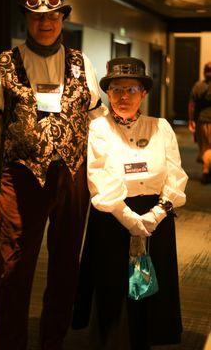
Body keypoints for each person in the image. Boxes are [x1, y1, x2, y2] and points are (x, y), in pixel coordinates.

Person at [0, 0, 101, 350]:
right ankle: (10, 343)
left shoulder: (82, 62)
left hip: (74, 177)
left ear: (63, 18)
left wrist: (109, 171)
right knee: (14, 267)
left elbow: (97, 119)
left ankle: (52, 341)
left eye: (52, 16)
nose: (45, 22)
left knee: (65, 266)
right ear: (27, 19)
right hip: (21, 177)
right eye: (37, 16)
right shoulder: (4, 64)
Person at [72, 57, 188, 350]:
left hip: (155, 218)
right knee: (114, 286)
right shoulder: (99, 128)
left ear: (144, 93)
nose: (124, 96)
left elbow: (175, 175)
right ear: (108, 93)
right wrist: (131, 220)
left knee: (146, 286)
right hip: (113, 216)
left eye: (131, 89)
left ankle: (144, 338)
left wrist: (156, 213)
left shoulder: (161, 127)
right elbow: (99, 177)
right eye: (116, 89)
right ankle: (112, 339)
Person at [188, 62, 211, 184]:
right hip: (204, 120)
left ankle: (206, 171)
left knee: (205, 147)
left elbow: (192, 106)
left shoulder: (198, 86)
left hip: (202, 121)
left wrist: (191, 120)